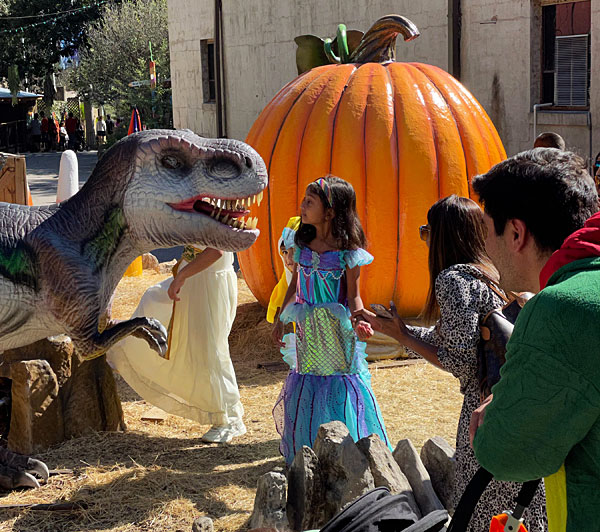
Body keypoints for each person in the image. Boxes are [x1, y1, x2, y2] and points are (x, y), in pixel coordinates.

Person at [355, 195, 547, 532]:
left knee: (484, 513)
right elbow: (460, 339)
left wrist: (404, 338)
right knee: (520, 515)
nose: (425, 240)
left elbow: (459, 361)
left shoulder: (453, 281)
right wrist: (400, 331)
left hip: (483, 413)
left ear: (443, 234)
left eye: (426, 231)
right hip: (511, 402)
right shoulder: (490, 273)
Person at [469, 149, 599, 532]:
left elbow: (506, 452)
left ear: (515, 233)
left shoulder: (562, 307)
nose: (486, 250)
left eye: (486, 231)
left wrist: (495, 411)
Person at [272, 175, 391, 464]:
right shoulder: (301, 242)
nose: (302, 206)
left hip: (337, 332)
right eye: (304, 200)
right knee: (307, 383)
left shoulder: (347, 253)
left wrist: (360, 320)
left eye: (309, 202)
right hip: (308, 330)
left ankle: (347, 450)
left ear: (330, 212)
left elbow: (354, 297)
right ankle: (308, 449)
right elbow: (295, 283)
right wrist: (281, 316)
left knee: (338, 385)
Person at [107, 245, 246, 443]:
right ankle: (124, 351)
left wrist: (181, 277)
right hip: (195, 276)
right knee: (153, 299)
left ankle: (227, 419)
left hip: (207, 281)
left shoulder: (221, 213)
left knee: (208, 349)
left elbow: (216, 251)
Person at [266, 216, 300, 324]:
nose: (288, 258)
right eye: (285, 252)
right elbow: (279, 294)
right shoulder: (287, 277)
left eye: (294, 252)